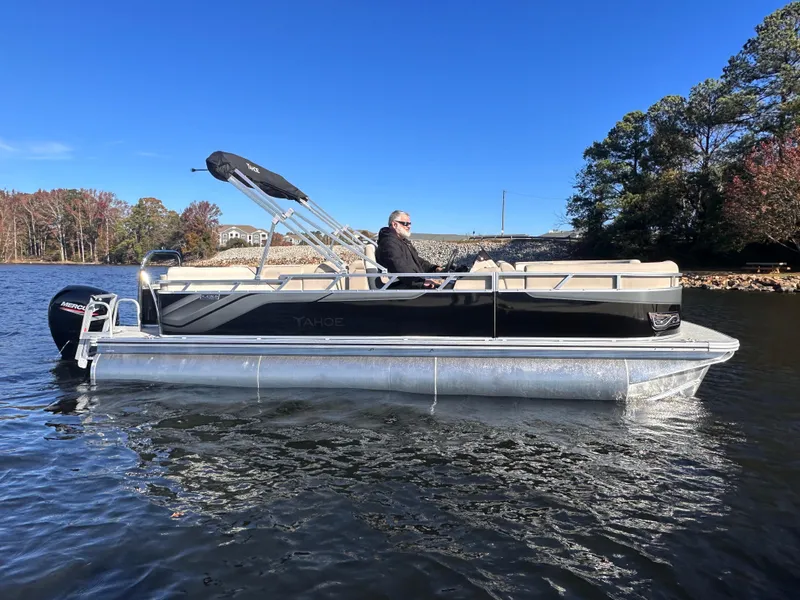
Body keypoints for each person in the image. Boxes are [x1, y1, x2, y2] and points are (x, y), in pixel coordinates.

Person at [376, 210, 444, 288]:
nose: (409, 226)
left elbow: (417, 261)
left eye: (409, 224)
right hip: (399, 286)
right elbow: (398, 267)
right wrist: (420, 283)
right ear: (394, 224)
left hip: (409, 282)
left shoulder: (402, 241)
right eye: (405, 224)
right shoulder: (389, 243)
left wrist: (435, 268)